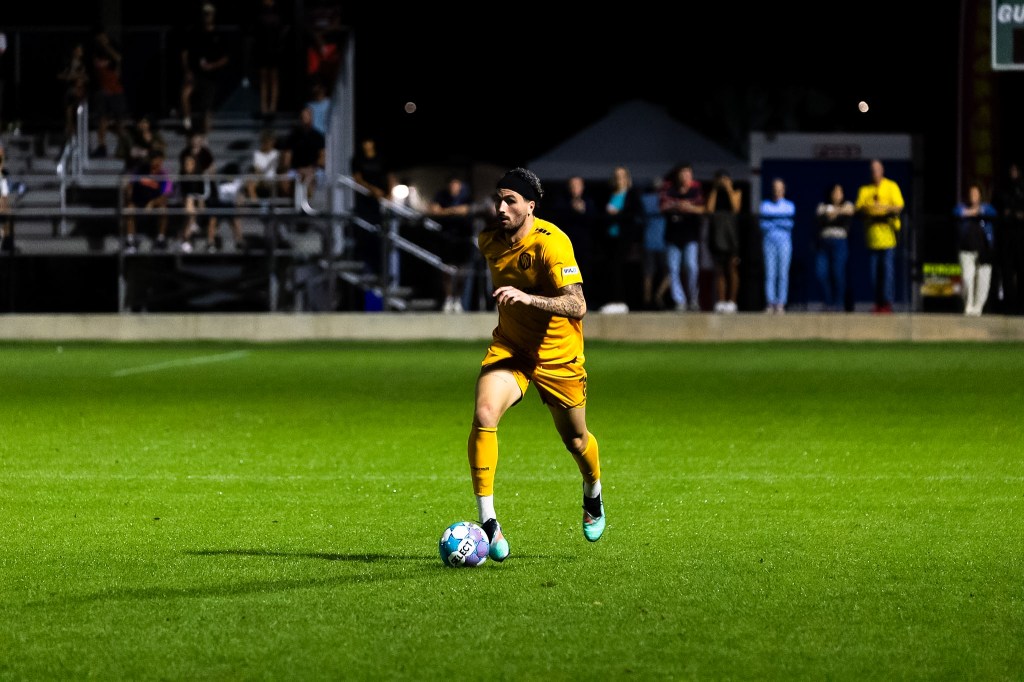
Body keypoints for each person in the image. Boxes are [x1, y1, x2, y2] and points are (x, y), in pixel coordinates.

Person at [466, 167, 606, 564]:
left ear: (530, 205)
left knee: (575, 440)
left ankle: (593, 490)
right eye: (498, 199)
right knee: (485, 413)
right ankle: (489, 523)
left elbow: (577, 304)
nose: (501, 208)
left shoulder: (552, 243)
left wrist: (529, 299)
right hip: (512, 348)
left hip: (559, 357)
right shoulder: (489, 240)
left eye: (510, 200)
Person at [854, 159, 905, 314]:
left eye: (877, 170)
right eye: (872, 170)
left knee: (888, 273)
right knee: (874, 274)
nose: (874, 173)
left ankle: (887, 303)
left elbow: (899, 206)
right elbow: (859, 208)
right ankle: (878, 303)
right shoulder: (865, 190)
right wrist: (873, 208)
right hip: (872, 238)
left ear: (882, 171)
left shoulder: (891, 186)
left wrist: (882, 207)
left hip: (888, 238)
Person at [658, 162, 705, 311]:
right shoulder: (669, 189)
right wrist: (675, 206)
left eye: (688, 173)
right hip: (673, 235)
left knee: (692, 266)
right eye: (683, 173)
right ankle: (680, 300)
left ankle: (693, 299)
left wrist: (689, 207)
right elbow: (662, 207)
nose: (686, 176)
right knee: (673, 268)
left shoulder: (696, 190)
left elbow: (704, 208)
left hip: (690, 234)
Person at [426, 175, 475, 313]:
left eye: (456, 184)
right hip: (447, 238)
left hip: (463, 238)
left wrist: (445, 211)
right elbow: (434, 210)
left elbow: (465, 210)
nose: (454, 187)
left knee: (462, 271)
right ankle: (448, 299)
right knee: (446, 270)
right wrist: (454, 211)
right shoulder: (441, 195)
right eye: (452, 184)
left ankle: (457, 299)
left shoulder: (467, 197)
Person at [180, 3, 230, 134]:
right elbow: (185, 53)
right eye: (205, 14)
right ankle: (187, 123)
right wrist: (187, 70)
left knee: (206, 107)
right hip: (195, 73)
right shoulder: (195, 32)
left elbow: (225, 58)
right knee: (185, 94)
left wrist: (212, 66)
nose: (207, 17)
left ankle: (206, 137)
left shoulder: (218, 35)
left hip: (210, 77)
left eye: (209, 14)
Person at [599, 166, 643, 312]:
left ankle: (621, 301)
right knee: (610, 268)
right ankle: (612, 300)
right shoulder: (608, 194)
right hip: (610, 238)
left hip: (625, 239)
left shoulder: (632, 195)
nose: (619, 179)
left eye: (622, 176)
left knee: (619, 268)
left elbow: (634, 214)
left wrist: (617, 214)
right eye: (617, 176)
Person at [954, 181, 997, 316]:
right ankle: (969, 305)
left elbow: (993, 212)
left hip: (984, 251)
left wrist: (976, 212)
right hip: (967, 250)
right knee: (967, 279)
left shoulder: (987, 208)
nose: (973, 196)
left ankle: (978, 308)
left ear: (980, 196)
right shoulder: (962, 207)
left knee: (983, 282)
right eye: (971, 193)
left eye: (976, 194)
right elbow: (957, 212)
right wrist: (970, 212)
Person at [705, 169, 742, 313]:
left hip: (731, 236)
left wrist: (728, 188)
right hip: (717, 236)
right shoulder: (713, 193)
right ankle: (721, 300)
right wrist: (715, 189)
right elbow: (709, 210)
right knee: (719, 269)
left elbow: (735, 208)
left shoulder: (736, 192)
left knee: (732, 268)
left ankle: (732, 301)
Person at [88, 26, 127, 158]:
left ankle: (125, 146)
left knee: (119, 120)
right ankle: (102, 147)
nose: (101, 40)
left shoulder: (113, 47)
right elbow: (97, 66)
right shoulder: (95, 51)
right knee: (102, 119)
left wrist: (107, 47)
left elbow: (118, 59)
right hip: (103, 90)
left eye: (103, 37)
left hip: (116, 89)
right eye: (99, 38)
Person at [814, 182, 854, 312]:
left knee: (838, 273)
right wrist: (837, 215)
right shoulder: (822, 206)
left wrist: (833, 213)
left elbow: (850, 211)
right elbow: (821, 219)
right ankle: (828, 302)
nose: (837, 195)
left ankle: (838, 304)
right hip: (824, 243)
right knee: (821, 273)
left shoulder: (847, 205)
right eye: (835, 192)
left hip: (840, 243)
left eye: (840, 192)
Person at [123, 151, 173, 253]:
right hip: (138, 201)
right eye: (155, 161)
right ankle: (130, 241)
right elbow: (129, 186)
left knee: (163, 209)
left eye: (160, 162)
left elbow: (165, 195)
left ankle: (160, 239)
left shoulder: (164, 175)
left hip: (154, 203)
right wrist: (129, 194)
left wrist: (152, 203)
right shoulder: (140, 170)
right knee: (128, 209)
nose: (157, 164)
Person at [759, 176, 795, 314]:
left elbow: (789, 224)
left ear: (784, 190)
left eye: (779, 189)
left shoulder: (790, 206)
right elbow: (763, 225)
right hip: (769, 242)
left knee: (783, 273)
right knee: (770, 272)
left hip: (784, 243)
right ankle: (770, 302)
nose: (777, 191)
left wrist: (772, 221)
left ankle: (781, 303)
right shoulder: (765, 205)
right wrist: (779, 221)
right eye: (775, 188)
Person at [992, 161, 1024, 315]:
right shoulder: (1002, 190)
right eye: (1011, 170)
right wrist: (1007, 214)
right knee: (1006, 272)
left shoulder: (1022, 189)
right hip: (1006, 237)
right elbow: (997, 210)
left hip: (1021, 236)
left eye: (1016, 170)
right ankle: (1009, 305)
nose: (1013, 173)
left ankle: (1021, 305)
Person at [251, 0, 289, 121]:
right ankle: (264, 107)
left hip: (275, 50)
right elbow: (255, 32)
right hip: (262, 49)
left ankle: (272, 107)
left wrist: (280, 46)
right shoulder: (259, 12)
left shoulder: (278, 12)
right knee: (263, 79)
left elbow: (283, 30)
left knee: (273, 79)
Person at [640, 176, 668, 310]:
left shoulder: (645, 199)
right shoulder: (664, 200)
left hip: (652, 241)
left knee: (649, 273)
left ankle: (650, 299)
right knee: (663, 272)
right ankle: (655, 297)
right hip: (658, 242)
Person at [57, 41, 89, 143]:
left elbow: (86, 77)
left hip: (80, 93)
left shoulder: (83, 64)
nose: (80, 52)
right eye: (78, 50)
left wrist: (81, 78)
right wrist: (71, 77)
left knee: (79, 114)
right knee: (69, 113)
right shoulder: (67, 62)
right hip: (70, 92)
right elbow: (60, 75)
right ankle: (69, 135)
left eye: (81, 50)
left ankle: (79, 137)